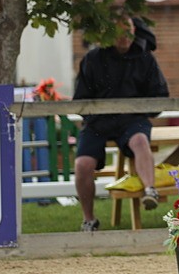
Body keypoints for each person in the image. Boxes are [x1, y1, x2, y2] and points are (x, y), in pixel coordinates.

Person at [72, 15, 170, 231]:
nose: (124, 36)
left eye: (128, 30)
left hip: (132, 121)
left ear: (135, 31)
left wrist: (140, 109)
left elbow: (160, 96)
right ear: (108, 35)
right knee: (82, 164)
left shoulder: (145, 59)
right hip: (98, 123)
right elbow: (80, 100)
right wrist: (95, 115)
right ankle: (89, 220)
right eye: (117, 31)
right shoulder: (92, 59)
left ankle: (150, 190)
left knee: (140, 142)